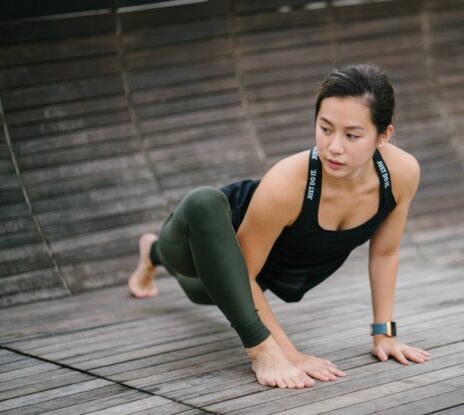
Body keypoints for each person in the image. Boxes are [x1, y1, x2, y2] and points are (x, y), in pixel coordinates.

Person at [128, 63, 431, 389]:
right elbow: (242, 274)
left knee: (201, 293)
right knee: (203, 208)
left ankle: (149, 252)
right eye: (325, 128)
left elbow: (385, 253)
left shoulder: (401, 174)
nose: (334, 147)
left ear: (384, 135)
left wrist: (384, 335)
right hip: (207, 233)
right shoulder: (288, 182)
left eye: (352, 135)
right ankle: (158, 250)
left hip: (260, 271)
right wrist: (288, 353)